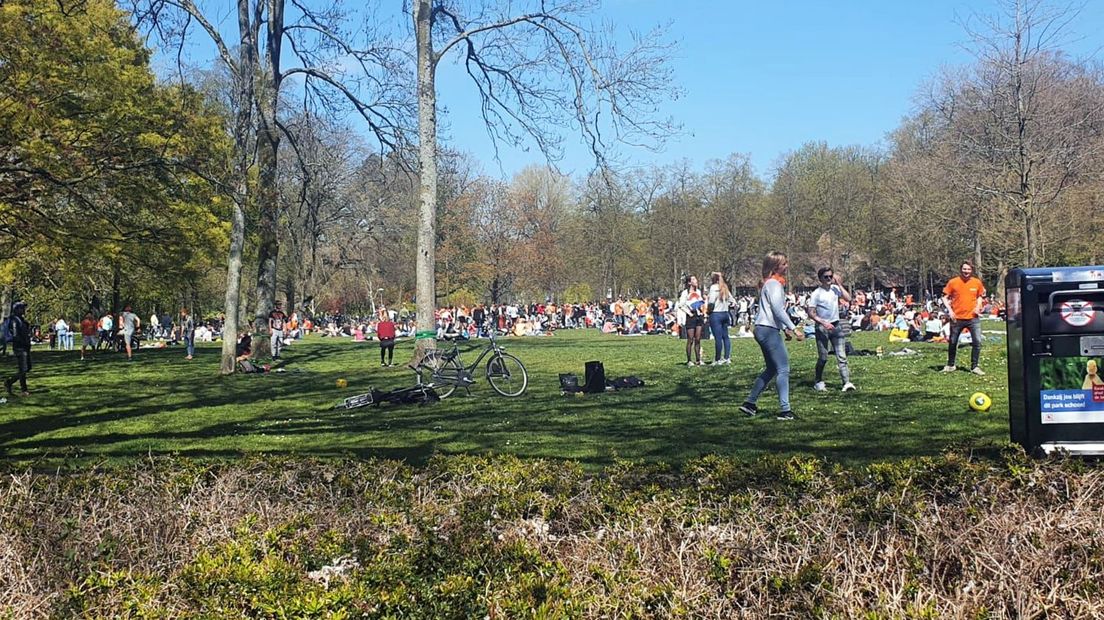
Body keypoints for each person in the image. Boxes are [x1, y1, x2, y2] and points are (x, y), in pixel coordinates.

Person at [739, 252, 804, 420]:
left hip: (763, 328)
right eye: (784, 264)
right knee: (783, 369)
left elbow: (772, 311)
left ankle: (750, 403)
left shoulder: (769, 284)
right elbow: (777, 309)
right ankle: (785, 410)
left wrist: (784, 329)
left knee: (771, 369)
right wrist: (793, 328)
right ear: (776, 267)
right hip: (768, 329)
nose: (787, 266)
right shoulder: (774, 284)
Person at [806, 267, 855, 392]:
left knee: (842, 356)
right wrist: (823, 322)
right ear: (820, 279)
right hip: (822, 327)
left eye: (830, 276)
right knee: (823, 357)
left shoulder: (835, 289)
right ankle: (818, 380)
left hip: (836, 326)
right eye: (826, 277)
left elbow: (848, 298)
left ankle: (846, 382)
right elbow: (810, 312)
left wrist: (839, 283)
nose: (829, 279)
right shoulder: (816, 293)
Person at [941, 261, 986, 375]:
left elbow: (980, 297)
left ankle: (974, 366)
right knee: (953, 342)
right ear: (961, 270)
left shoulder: (977, 282)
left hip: (973, 318)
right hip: (957, 318)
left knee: (977, 342)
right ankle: (951, 365)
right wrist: (950, 311)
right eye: (964, 269)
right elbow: (944, 298)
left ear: (972, 270)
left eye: (969, 269)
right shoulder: (953, 282)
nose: (966, 271)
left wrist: (978, 306)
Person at [707, 272, 736, 365]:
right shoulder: (725, 288)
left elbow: (711, 302)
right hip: (725, 313)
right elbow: (733, 301)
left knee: (718, 338)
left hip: (716, 314)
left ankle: (717, 359)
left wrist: (708, 311)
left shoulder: (713, 288)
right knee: (726, 337)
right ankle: (727, 357)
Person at [4, 302, 32, 396]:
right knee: (23, 368)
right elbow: (16, 336)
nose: (23, 310)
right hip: (20, 347)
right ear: (16, 310)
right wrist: (24, 343)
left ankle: (9, 382)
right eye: (21, 308)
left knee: (27, 367)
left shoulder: (21, 320)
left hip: (25, 346)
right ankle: (24, 390)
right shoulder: (15, 321)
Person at [677, 275, 706, 366]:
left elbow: (701, 303)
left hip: (698, 316)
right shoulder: (685, 293)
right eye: (693, 279)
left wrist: (703, 312)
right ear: (689, 282)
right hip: (690, 316)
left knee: (698, 338)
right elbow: (681, 305)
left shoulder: (698, 292)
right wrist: (688, 313)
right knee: (690, 339)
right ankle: (689, 360)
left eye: (695, 278)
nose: (696, 280)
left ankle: (698, 360)